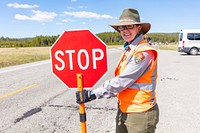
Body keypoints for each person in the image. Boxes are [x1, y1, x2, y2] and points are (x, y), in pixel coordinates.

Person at [76, 8, 159, 133]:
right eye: (121, 27)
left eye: (129, 26)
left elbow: (123, 81)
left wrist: (93, 94)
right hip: (124, 108)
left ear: (138, 28)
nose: (125, 30)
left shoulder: (143, 52)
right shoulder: (129, 49)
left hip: (140, 112)